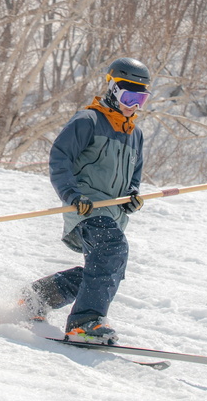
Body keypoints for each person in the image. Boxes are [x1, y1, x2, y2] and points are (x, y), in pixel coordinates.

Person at [23, 57, 151, 344]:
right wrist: (72, 195)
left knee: (106, 270)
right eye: (129, 98)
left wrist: (131, 197)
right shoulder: (88, 121)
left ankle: (35, 298)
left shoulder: (135, 134)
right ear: (113, 90)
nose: (134, 106)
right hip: (86, 208)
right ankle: (84, 322)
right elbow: (60, 159)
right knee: (111, 252)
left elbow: (134, 175)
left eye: (141, 100)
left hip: (112, 214)